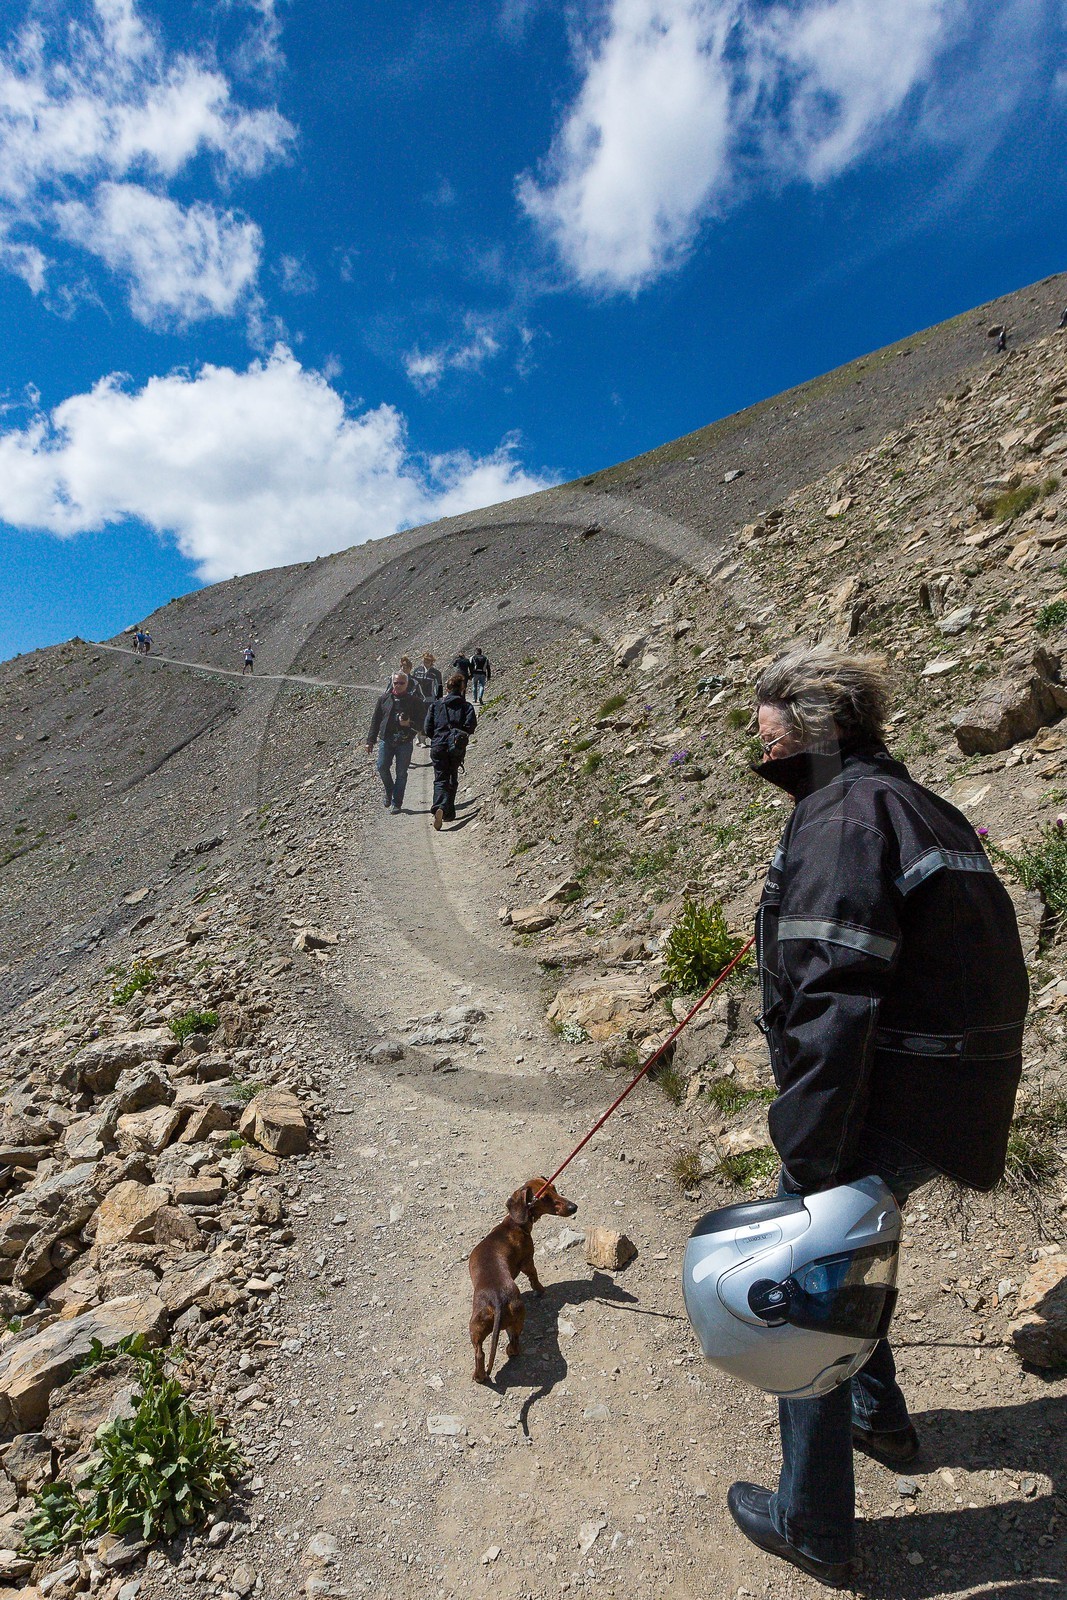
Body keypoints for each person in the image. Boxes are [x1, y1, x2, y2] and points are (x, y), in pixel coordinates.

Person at [726, 644, 1028, 1587]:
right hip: (950, 1089)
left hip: (885, 1090)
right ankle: (878, 1416)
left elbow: (835, 992)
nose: (754, 738)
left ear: (821, 727)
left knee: (805, 1282)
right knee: (853, 1244)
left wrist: (809, 1144)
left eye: (766, 722)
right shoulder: (908, 802)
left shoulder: (844, 817)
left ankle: (811, 1519)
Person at [424, 670, 477, 829]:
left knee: (440, 778)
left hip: (438, 745)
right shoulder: (466, 706)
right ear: (462, 689)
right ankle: (446, 810)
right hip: (456, 745)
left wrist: (438, 737)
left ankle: (441, 809)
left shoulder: (436, 705)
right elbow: (470, 726)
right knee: (452, 777)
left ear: (447, 689)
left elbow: (428, 728)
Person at [366, 672, 420, 814]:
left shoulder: (414, 701)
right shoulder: (384, 699)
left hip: (405, 742)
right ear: (392, 683)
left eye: (402, 683)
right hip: (386, 739)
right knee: (382, 766)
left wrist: (409, 723)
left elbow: (422, 724)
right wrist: (370, 741)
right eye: (396, 683)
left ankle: (397, 802)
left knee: (401, 773)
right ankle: (390, 790)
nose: (399, 685)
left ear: (407, 684)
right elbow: (376, 720)